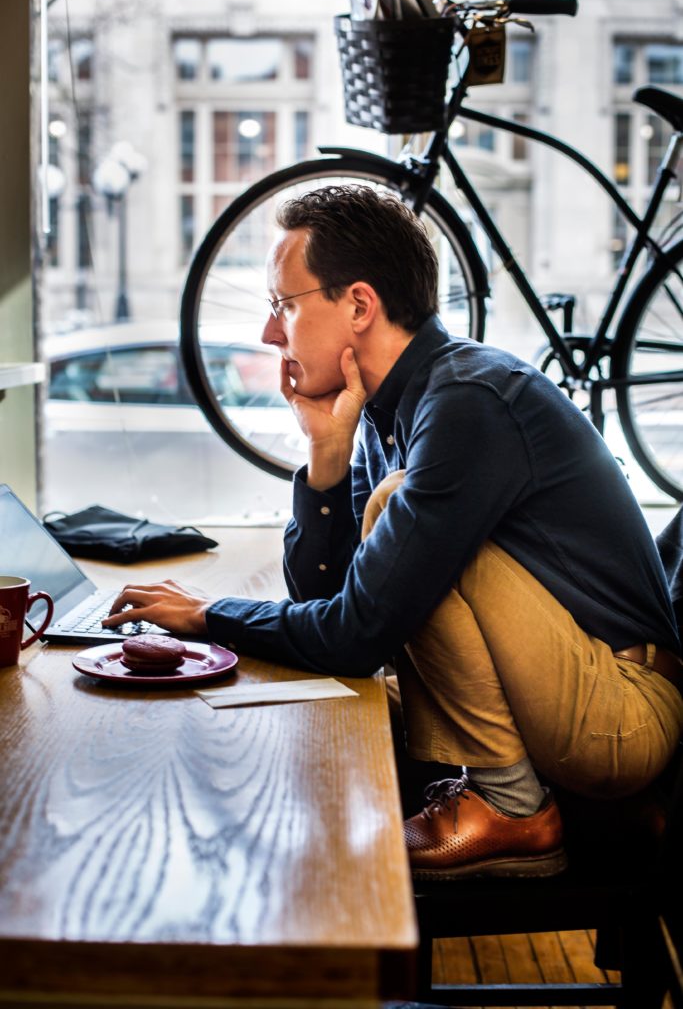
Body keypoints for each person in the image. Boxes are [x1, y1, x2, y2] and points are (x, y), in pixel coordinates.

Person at [104, 185, 683, 881]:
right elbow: (329, 593)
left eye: (283, 305)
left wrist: (207, 614)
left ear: (357, 304)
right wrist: (325, 456)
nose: (268, 334)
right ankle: (492, 798)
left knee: (391, 515)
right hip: (570, 698)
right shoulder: (393, 410)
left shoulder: (467, 402)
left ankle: (511, 806)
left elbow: (355, 634)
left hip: (620, 715)